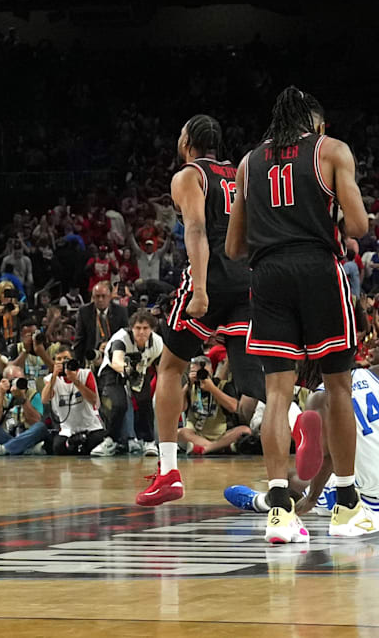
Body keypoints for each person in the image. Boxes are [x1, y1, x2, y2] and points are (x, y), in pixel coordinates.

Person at [226, 85, 379, 542]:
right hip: (317, 268)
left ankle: (279, 512)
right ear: (314, 123)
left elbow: (235, 247)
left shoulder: (248, 163)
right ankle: (348, 505)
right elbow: (358, 226)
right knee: (337, 385)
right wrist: (324, 217)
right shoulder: (330, 150)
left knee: (279, 394)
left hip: (267, 274)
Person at [140, 115, 260, 505]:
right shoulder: (240, 171)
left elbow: (195, 230)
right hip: (248, 279)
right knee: (260, 386)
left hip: (212, 277)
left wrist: (202, 290)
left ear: (187, 140)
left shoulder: (188, 176)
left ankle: (169, 472)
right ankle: (304, 431)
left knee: (170, 368)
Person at [225, 348, 379, 518]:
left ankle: (263, 502)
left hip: (377, 503)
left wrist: (312, 499)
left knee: (292, 479)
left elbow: (329, 457)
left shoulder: (319, 397)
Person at [90, 310, 164, 456]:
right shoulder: (121, 338)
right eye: (138, 328)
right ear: (131, 328)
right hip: (113, 371)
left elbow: (160, 368)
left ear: (152, 329)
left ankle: (148, 441)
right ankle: (110, 440)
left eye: (145, 328)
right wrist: (127, 370)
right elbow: (117, 361)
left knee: (145, 401)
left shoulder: (157, 343)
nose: (141, 332)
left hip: (140, 369)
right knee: (119, 404)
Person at [42, 345, 104, 454]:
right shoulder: (50, 379)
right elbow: (45, 399)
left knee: (97, 441)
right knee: (57, 447)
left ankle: (78, 446)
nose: (62, 362)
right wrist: (54, 376)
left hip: (90, 426)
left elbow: (94, 400)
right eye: (59, 359)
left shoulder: (85, 374)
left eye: (66, 359)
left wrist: (76, 381)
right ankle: (72, 444)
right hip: (68, 430)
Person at [74, 281, 129, 366]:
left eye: (103, 296)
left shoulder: (120, 311)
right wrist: (78, 363)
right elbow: (79, 339)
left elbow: (125, 336)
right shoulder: (84, 312)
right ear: (93, 297)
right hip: (92, 356)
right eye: (97, 296)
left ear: (110, 297)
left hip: (114, 354)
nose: (100, 299)